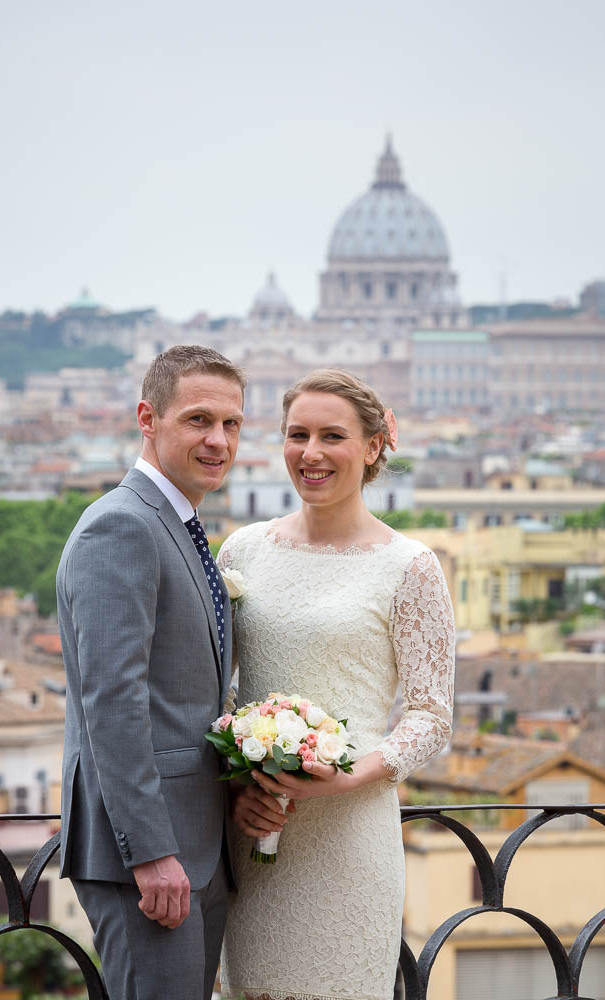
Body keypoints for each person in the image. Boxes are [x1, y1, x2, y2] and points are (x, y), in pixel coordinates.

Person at [217, 369, 456, 1000]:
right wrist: (239, 792)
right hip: (255, 829)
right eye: (298, 435)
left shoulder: (409, 566)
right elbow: (218, 692)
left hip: (351, 838)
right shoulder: (242, 550)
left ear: (375, 446)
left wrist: (347, 777)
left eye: (332, 436)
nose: (311, 453)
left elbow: (432, 716)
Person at [56, 345, 245, 1000]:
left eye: (231, 424)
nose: (218, 441)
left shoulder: (174, 524)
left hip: (192, 847)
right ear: (147, 417)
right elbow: (112, 700)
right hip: (150, 856)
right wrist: (149, 851)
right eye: (198, 420)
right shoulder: (122, 526)